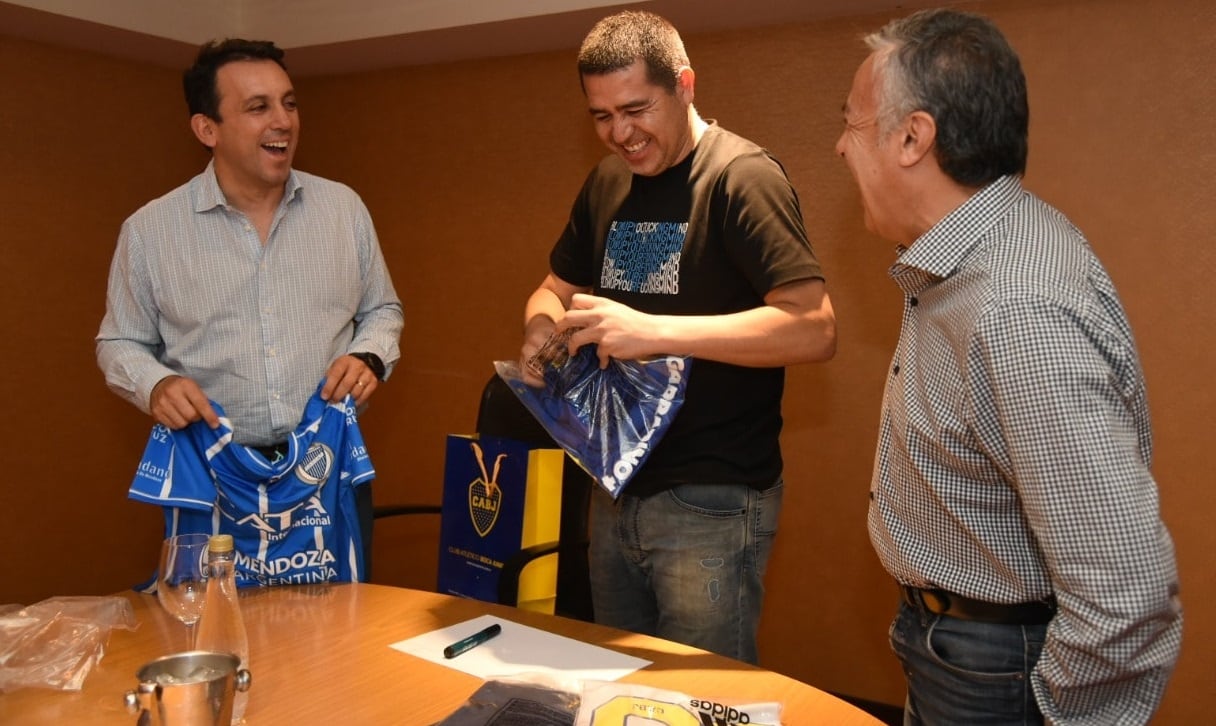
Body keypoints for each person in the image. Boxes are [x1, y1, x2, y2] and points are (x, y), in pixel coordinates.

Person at [836, 8, 1182, 723]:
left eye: (853, 123)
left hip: (996, 672)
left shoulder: (1014, 306)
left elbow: (1124, 594)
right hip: (958, 649)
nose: (842, 148)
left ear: (912, 137)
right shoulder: (969, 260)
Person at [518, 10, 836, 663]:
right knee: (622, 682)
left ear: (684, 85)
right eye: (601, 117)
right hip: (615, 485)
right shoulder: (607, 181)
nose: (621, 134)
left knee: (700, 694)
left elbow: (815, 327)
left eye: (636, 109)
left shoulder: (741, 178)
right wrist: (540, 328)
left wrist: (654, 331)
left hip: (711, 498)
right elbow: (552, 286)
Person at [97, 39, 403, 578]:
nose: (282, 121)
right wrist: (157, 385)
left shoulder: (343, 210)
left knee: (339, 644)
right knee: (218, 637)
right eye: (258, 107)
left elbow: (382, 309)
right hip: (212, 483)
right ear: (206, 129)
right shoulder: (150, 231)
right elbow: (120, 341)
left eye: (289, 103)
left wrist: (369, 357)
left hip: (326, 474)